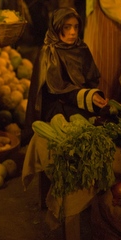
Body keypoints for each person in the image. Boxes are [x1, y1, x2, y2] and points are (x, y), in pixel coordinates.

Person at [22, 8, 108, 141]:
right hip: (57, 105)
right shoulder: (49, 52)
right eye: (67, 27)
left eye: (76, 27)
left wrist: (93, 96)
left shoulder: (81, 48)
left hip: (80, 100)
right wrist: (87, 97)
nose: (73, 32)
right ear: (57, 28)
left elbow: (90, 79)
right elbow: (58, 89)